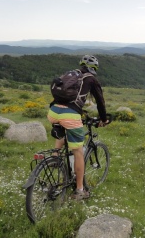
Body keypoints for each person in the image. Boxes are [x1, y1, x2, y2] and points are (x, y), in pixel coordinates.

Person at [47, 54, 109, 200]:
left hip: (53, 112)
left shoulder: (71, 74)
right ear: (94, 68)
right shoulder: (91, 79)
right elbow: (100, 101)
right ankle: (80, 190)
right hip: (70, 115)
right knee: (78, 151)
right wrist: (104, 119)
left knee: (64, 129)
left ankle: (55, 157)